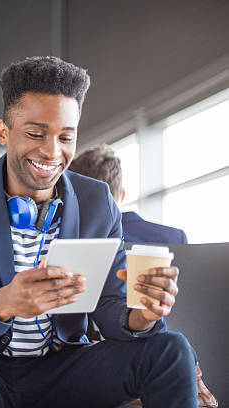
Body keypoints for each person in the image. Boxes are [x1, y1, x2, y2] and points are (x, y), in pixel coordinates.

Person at [0, 56, 197, 407]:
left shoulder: (97, 202)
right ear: (4, 131)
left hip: (66, 371)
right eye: (36, 134)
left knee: (171, 349)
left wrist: (140, 317)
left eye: (66, 137)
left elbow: (110, 307)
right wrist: (3, 302)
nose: (52, 151)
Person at [69, 144, 217, 408]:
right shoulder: (173, 238)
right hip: (186, 355)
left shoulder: (78, 239)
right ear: (122, 193)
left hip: (118, 356)